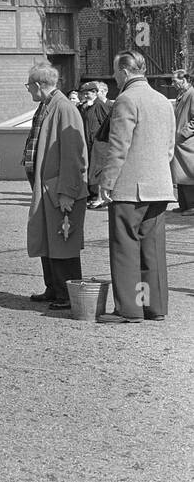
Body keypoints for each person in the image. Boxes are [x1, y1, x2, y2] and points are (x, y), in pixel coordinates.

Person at [98, 51, 175, 323]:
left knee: (125, 247)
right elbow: (168, 148)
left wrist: (105, 184)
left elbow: (118, 148)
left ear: (125, 72)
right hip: (159, 186)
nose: (114, 77)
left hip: (131, 188)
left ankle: (129, 309)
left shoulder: (126, 100)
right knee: (151, 249)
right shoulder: (163, 101)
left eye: (115, 72)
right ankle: (154, 308)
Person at [23, 61, 88, 311]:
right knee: (48, 240)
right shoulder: (48, 105)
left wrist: (66, 192)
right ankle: (54, 287)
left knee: (63, 241)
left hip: (58, 190)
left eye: (29, 85)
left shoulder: (64, 108)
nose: (28, 90)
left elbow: (74, 155)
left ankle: (67, 294)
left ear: (39, 85)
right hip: (47, 188)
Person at [80, 81, 112, 207]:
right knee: (93, 171)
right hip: (90, 144)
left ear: (94, 93)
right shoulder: (88, 106)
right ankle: (95, 196)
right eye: (84, 93)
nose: (85, 95)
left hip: (99, 144)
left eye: (88, 93)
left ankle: (100, 198)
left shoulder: (99, 106)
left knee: (99, 171)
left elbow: (107, 124)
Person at [171, 69, 194, 214]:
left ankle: (192, 206)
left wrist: (182, 133)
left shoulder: (192, 94)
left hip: (188, 144)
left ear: (184, 80)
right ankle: (184, 205)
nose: (172, 83)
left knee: (189, 175)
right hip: (181, 144)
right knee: (180, 175)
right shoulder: (183, 94)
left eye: (175, 81)